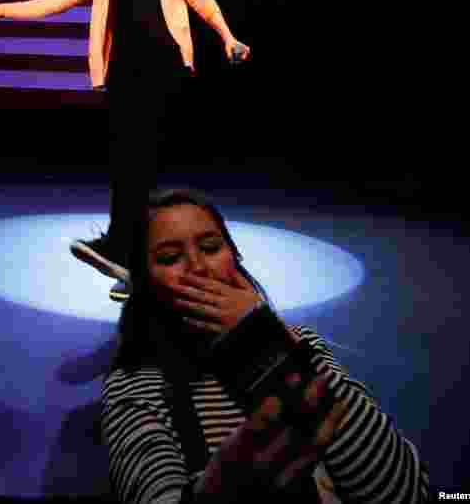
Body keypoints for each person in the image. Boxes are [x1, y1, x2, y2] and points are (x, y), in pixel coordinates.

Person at [0, 0, 248, 295]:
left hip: (163, 62)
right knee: (126, 162)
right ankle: (129, 256)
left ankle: (131, 251)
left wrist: (226, 35)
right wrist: (1, 10)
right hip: (122, 70)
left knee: (143, 161)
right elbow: (56, 1)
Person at [100, 187, 430, 503]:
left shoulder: (298, 343)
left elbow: (405, 491)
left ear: (235, 259)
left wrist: (271, 342)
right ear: (144, 283)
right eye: (171, 257)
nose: (199, 267)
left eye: (212, 248)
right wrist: (218, 488)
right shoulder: (136, 384)